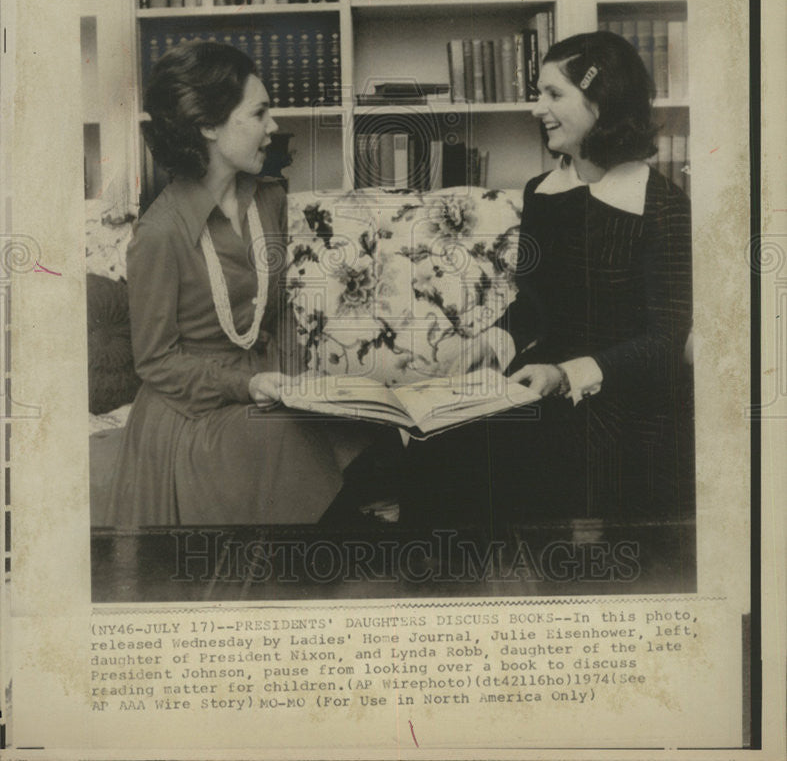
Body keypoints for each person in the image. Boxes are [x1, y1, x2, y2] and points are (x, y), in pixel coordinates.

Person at [401, 30, 693, 529]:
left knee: (487, 456)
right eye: (539, 93)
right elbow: (536, 303)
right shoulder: (543, 192)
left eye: (554, 94)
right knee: (432, 439)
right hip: (543, 384)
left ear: (602, 104)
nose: (538, 108)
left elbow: (666, 340)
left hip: (626, 404)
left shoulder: (662, 206)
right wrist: (491, 341)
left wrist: (567, 375)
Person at [106, 41, 376, 526]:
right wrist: (247, 384)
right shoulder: (160, 233)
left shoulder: (269, 199)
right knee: (284, 440)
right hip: (194, 415)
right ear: (208, 126)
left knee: (365, 427)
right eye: (260, 113)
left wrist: (299, 383)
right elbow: (155, 363)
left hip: (266, 389)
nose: (274, 127)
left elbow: (280, 315)